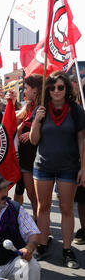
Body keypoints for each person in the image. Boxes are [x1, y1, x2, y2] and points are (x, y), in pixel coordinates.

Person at [30, 71, 85, 269]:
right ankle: (43, 245)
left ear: (66, 89)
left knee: (66, 209)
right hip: (43, 166)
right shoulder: (41, 110)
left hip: (68, 167)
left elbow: (82, 140)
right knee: (42, 207)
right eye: (52, 87)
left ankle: (67, 250)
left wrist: (84, 167)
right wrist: (37, 119)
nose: (56, 91)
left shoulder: (76, 110)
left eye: (60, 87)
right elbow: (33, 140)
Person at [15, 74, 42, 222]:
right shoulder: (28, 106)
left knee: (38, 197)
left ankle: (43, 227)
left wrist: (31, 131)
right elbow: (14, 117)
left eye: (26, 88)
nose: (24, 91)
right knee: (31, 195)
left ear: (35, 89)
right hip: (25, 159)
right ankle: (37, 222)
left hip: (37, 157)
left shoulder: (43, 107)